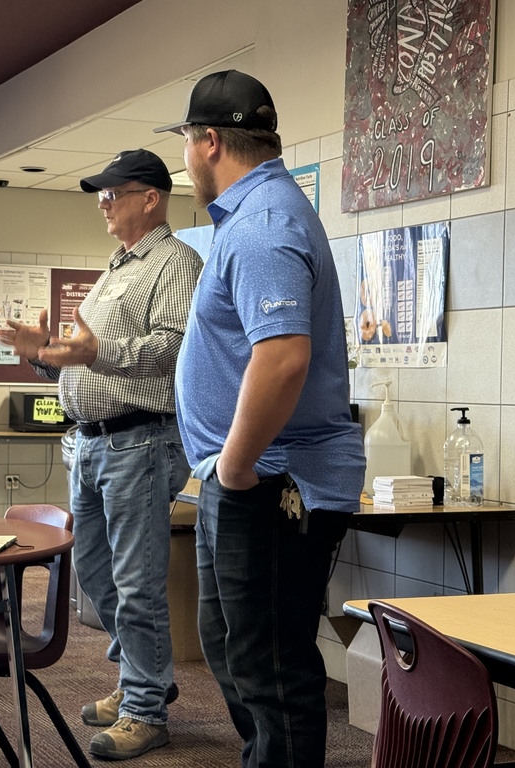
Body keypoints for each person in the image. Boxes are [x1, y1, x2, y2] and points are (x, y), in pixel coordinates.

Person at [154, 70, 366, 767]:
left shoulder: (264, 224)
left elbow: (282, 361)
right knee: (230, 644)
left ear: (209, 141)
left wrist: (238, 465)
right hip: (246, 479)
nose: (186, 159)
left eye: (187, 142)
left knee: (271, 663)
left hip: (272, 481)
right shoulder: (253, 217)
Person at [0, 148, 202, 761]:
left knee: (136, 583)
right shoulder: (117, 266)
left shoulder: (176, 262)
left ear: (152, 198)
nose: (103, 203)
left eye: (114, 193)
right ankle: (147, 678)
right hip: (88, 442)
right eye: (100, 194)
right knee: (92, 576)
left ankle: (145, 708)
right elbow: (85, 353)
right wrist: (43, 354)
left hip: (139, 439)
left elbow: (171, 348)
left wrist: (89, 353)